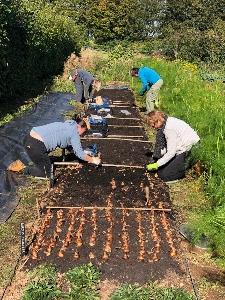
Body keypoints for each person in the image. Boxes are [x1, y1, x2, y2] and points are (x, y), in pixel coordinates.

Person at [23, 119, 101, 178]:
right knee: (46, 174)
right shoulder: (74, 133)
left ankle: (40, 162)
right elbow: (79, 153)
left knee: (45, 162)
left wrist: (83, 154)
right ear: (80, 127)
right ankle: (23, 169)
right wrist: (93, 160)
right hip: (35, 145)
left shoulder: (69, 124)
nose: (83, 134)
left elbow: (65, 143)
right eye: (84, 131)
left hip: (28, 138)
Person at [145, 111, 200, 182]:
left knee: (164, 175)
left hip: (191, 150)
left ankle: (183, 172)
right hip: (186, 148)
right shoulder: (168, 120)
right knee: (162, 169)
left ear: (157, 121)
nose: (153, 128)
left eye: (153, 125)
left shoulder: (168, 129)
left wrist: (157, 164)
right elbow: (171, 145)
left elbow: (171, 152)